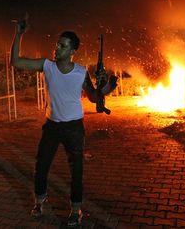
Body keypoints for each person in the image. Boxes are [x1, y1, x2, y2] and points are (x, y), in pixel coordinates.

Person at [11, 16, 117, 227]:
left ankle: (75, 210)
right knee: (41, 167)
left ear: (71, 52)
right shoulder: (46, 66)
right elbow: (16, 61)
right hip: (52, 126)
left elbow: (94, 98)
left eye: (62, 46)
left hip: (74, 129)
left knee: (76, 171)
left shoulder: (80, 72)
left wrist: (106, 87)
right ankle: (39, 202)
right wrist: (18, 34)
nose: (57, 48)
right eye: (57, 44)